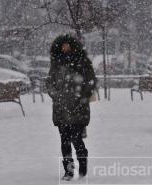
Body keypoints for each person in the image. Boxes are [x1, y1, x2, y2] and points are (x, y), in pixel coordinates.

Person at [46, 34, 97, 181]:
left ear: (73, 46)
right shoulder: (56, 64)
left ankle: (82, 161)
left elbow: (90, 82)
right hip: (61, 108)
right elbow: (50, 83)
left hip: (78, 109)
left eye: (68, 45)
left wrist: (81, 97)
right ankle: (68, 171)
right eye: (63, 45)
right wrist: (56, 96)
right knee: (65, 141)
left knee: (76, 139)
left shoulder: (82, 63)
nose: (65, 47)